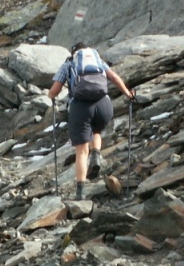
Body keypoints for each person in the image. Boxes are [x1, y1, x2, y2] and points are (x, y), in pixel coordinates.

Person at [48, 43, 134, 200]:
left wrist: (50, 96)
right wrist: (128, 94)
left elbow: (55, 90)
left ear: (74, 53)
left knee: (81, 151)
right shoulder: (97, 60)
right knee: (96, 130)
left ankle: (80, 193)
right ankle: (96, 156)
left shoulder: (69, 63)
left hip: (81, 107)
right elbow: (114, 77)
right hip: (104, 105)